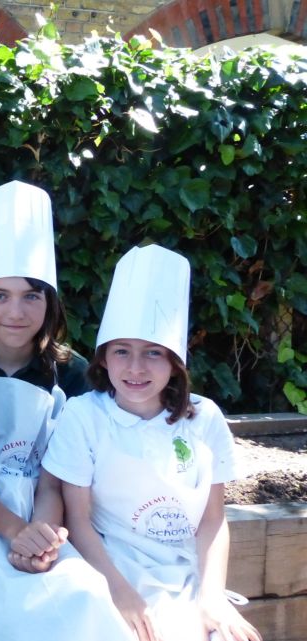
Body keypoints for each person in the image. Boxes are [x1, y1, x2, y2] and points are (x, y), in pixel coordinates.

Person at [0, 180, 132, 641]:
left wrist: (42, 537)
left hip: (49, 515)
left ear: (49, 303)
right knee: (6, 602)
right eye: (0, 295)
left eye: (32, 295)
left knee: (81, 592)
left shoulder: (72, 373)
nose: (16, 311)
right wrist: (13, 532)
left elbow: (57, 476)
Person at [43, 244, 262, 641]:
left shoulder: (206, 418)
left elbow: (213, 520)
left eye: (153, 353)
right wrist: (119, 591)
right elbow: (78, 520)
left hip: (186, 572)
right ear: (104, 358)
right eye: (122, 351)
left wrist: (212, 597)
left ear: (175, 361)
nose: (136, 368)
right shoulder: (84, 416)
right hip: (108, 564)